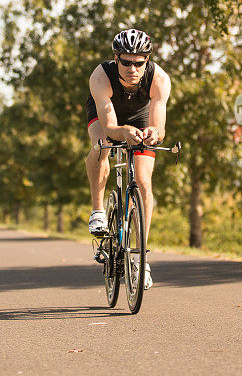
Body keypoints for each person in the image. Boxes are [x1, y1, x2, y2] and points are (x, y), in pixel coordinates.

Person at [85, 28, 171, 290]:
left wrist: (153, 133)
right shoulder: (101, 76)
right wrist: (121, 132)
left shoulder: (159, 79)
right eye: (126, 62)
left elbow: (160, 128)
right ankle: (99, 211)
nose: (132, 68)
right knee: (102, 146)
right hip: (107, 114)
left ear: (147, 61)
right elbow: (110, 127)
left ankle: (141, 258)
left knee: (144, 181)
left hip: (140, 115)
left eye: (139, 63)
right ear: (116, 58)